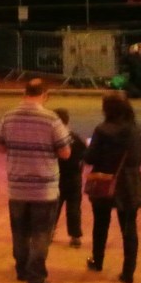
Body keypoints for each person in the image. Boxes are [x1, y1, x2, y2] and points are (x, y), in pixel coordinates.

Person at [0, 79, 72, 283]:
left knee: (19, 231)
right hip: (44, 188)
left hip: (17, 187)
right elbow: (65, 153)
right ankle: (36, 279)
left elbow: (0, 147)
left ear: (24, 92)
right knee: (40, 234)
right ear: (45, 94)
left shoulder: (8, 117)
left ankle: (21, 269)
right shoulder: (51, 119)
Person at [84, 92, 141, 283]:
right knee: (129, 229)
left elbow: (90, 158)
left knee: (100, 224)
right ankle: (128, 272)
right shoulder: (136, 130)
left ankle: (97, 261)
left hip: (104, 181)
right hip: (130, 183)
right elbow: (139, 157)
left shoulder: (102, 130)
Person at [53, 107, 87, 249]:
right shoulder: (76, 138)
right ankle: (75, 236)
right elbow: (84, 156)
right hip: (74, 177)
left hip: (57, 177)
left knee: (54, 207)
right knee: (74, 207)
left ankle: (49, 232)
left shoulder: (53, 138)